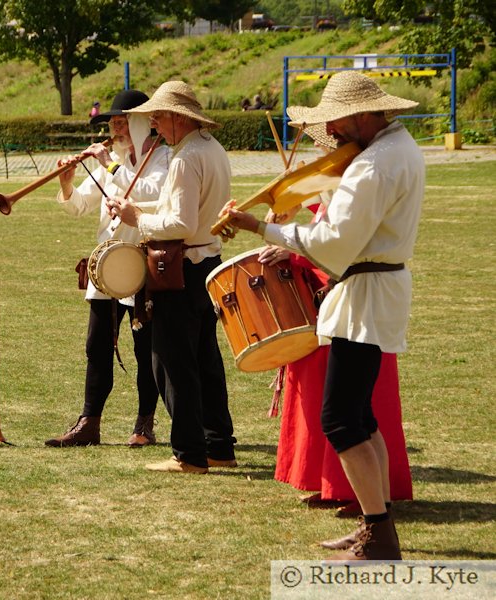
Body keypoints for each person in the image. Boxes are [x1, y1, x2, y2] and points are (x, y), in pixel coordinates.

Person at [220, 71, 423, 560]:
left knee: (341, 421)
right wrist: (311, 199)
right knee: (359, 416)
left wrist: (260, 228)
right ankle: (378, 525)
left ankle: (378, 532)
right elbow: (347, 226)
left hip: (365, 295)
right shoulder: (395, 148)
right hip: (371, 290)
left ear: (361, 115)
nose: (329, 132)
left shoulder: (375, 163)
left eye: (334, 120)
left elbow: (333, 246)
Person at [263, 126, 413, 520]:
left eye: (324, 140)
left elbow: (337, 244)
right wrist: (292, 212)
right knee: (351, 413)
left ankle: (373, 514)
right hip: (343, 296)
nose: (318, 146)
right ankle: (359, 502)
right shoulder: (355, 171)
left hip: (355, 296)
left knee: (347, 416)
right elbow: (329, 229)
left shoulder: (364, 171)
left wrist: (276, 236)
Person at [108, 81, 236, 474]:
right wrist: (137, 206)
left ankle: (189, 454)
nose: (155, 124)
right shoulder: (210, 149)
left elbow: (181, 222)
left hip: (180, 269)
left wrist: (136, 219)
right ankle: (218, 445)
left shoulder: (184, 158)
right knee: (205, 359)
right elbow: (186, 207)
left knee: (173, 362)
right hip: (206, 264)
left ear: (179, 117)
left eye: (159, 116)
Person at [45, 89, 171, 448]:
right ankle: (89, 422)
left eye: (122, 120)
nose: (116, 126)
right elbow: (80, 206)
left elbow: (150, 192)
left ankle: (144, 423)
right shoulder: (113, 157)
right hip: (106, 264)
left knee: (145, 348)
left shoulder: (162, 158)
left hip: (143, 262)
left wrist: (108, 166)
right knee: (96, 344)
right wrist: (67, 183)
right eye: (113, 121)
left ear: (143, 121)